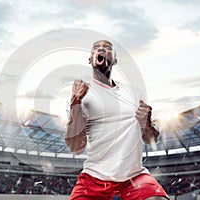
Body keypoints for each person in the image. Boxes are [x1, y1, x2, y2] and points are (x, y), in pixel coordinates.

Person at [65, 40, 169, 200]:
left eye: (107, 48)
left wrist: (147, 124)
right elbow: (75, 147)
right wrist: (75, 103)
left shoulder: (134, 92)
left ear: (114, 60)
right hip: (94, 178)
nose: (101, 49)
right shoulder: (81, 94)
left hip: (134, 177)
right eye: (96, 48)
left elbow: (151, 139)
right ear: (89, 59)